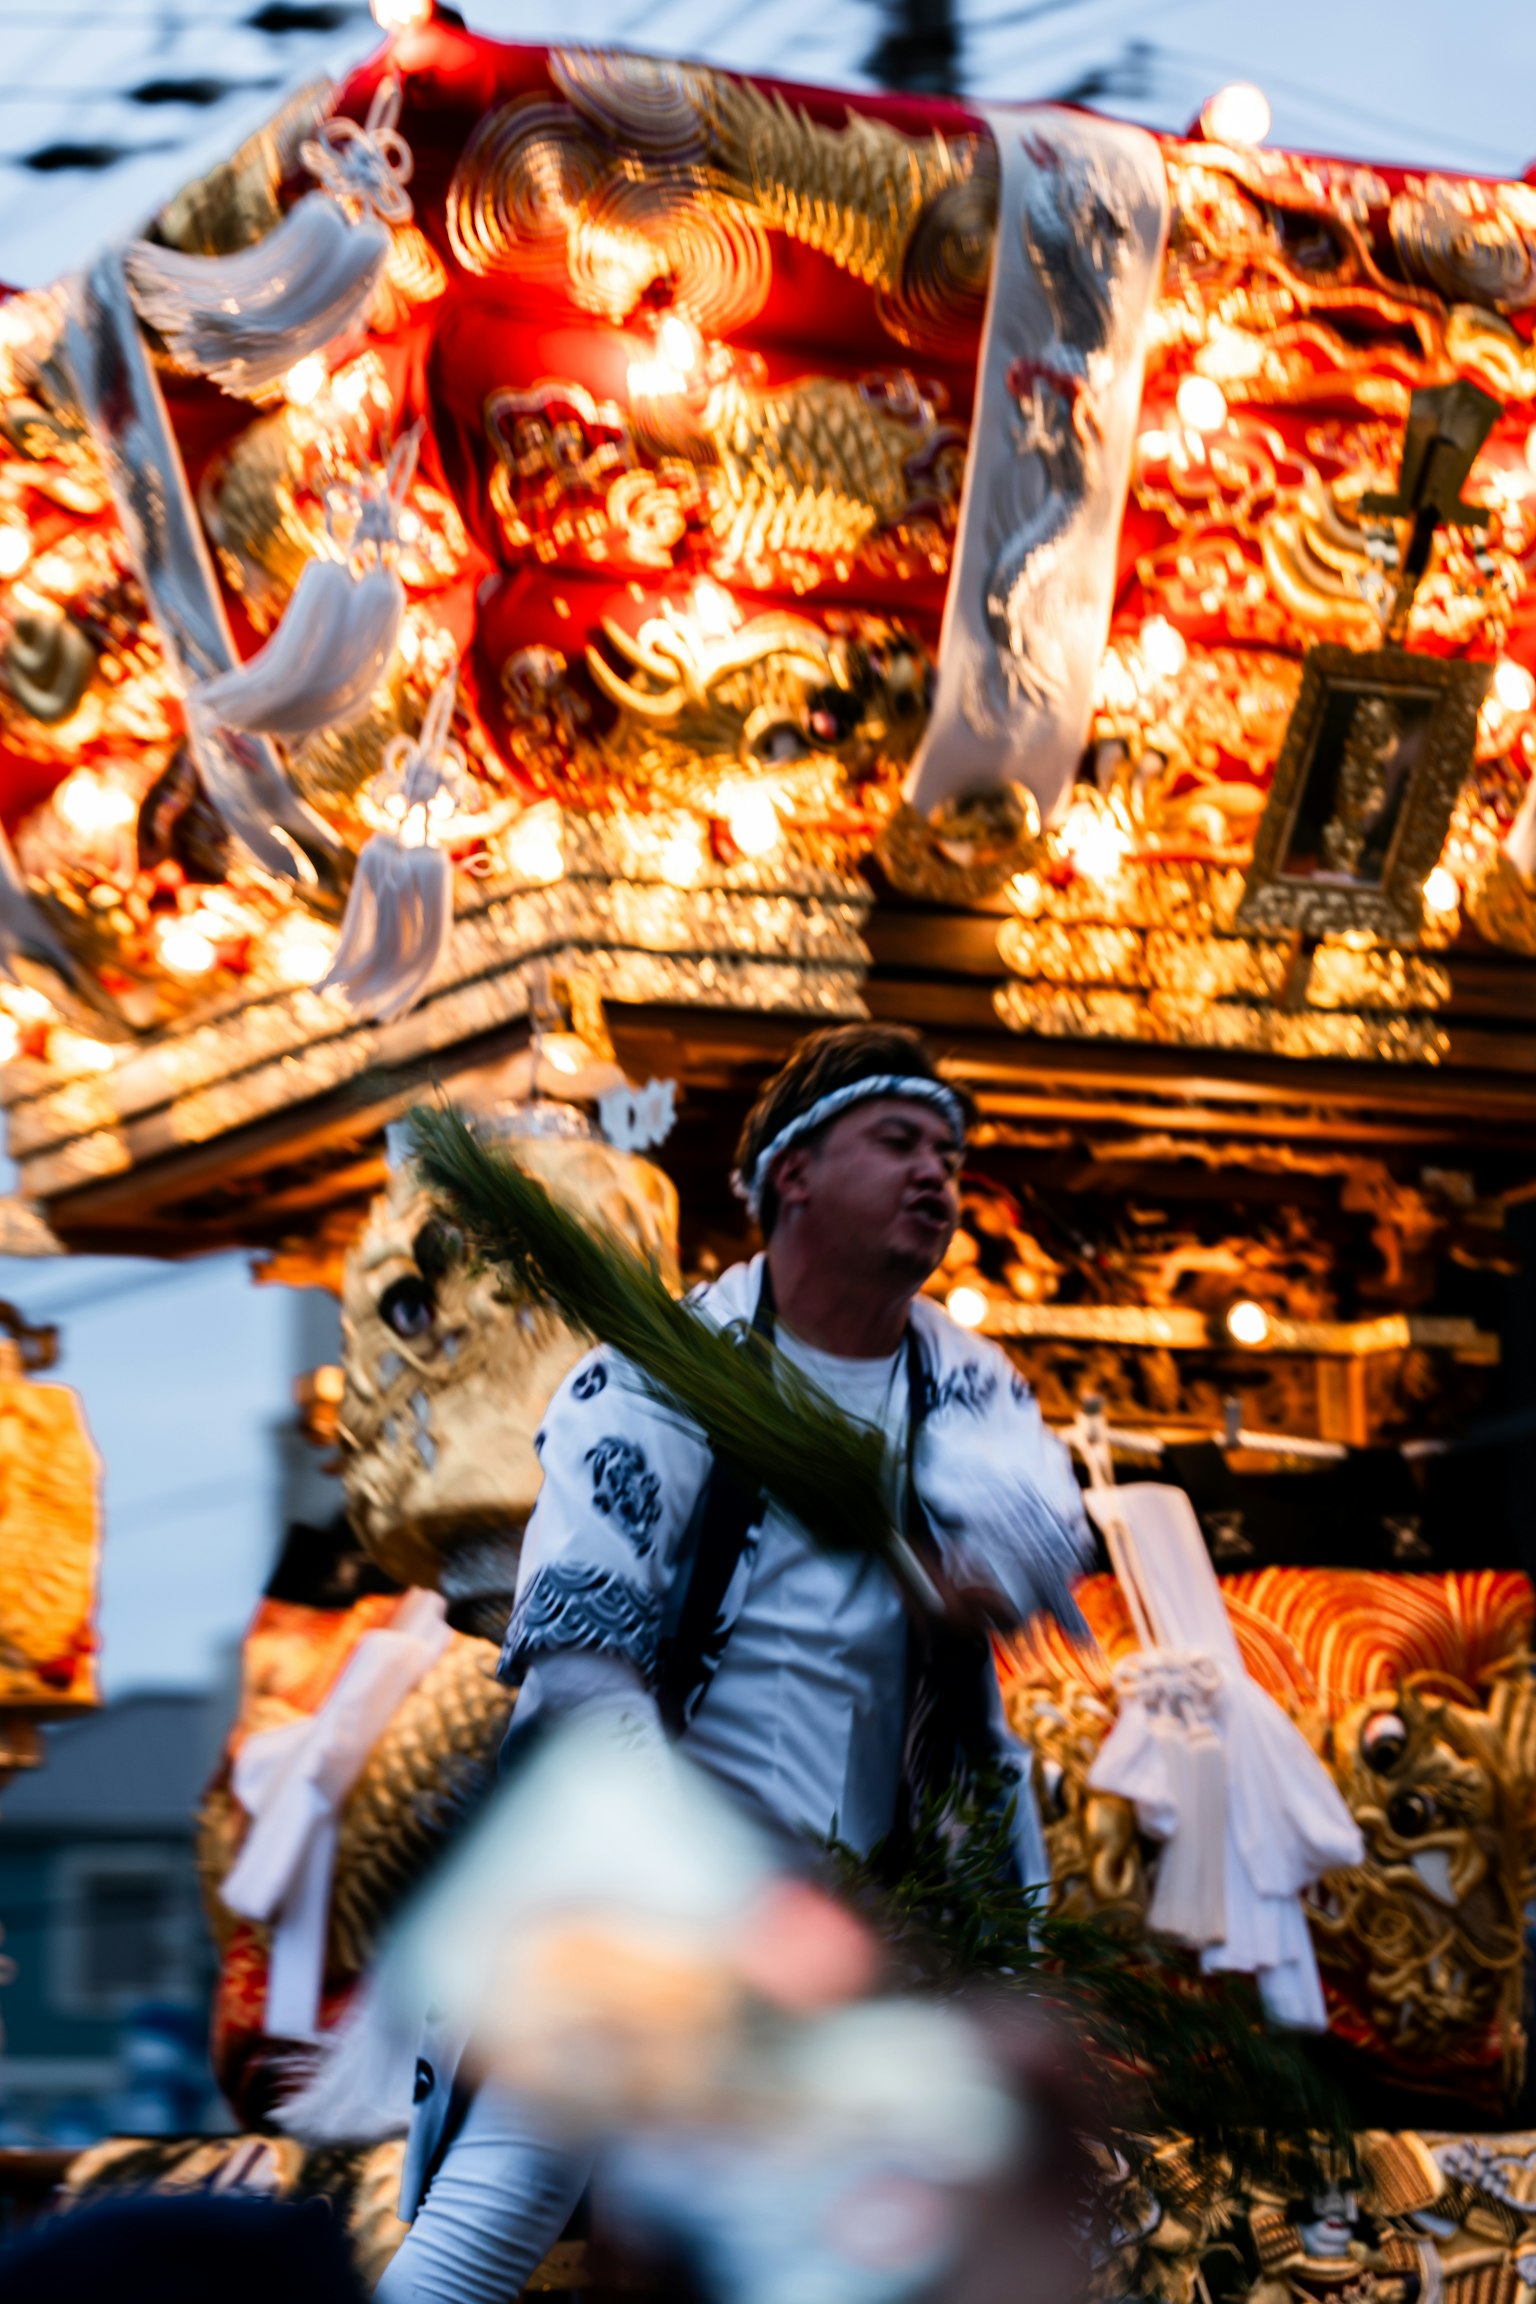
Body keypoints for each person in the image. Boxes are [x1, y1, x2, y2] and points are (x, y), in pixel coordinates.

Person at [379, 1023, 1091, 2304]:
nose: (939, 1172)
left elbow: (1035, 1520)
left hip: (892, 1921)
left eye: (949, 1149)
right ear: (795, 1175)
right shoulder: (656, 1381)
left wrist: (993, 1566)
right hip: (654, 1913)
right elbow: (578, 1669)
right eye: (899, 1141)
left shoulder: (969, 1383)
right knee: (486, 2230)